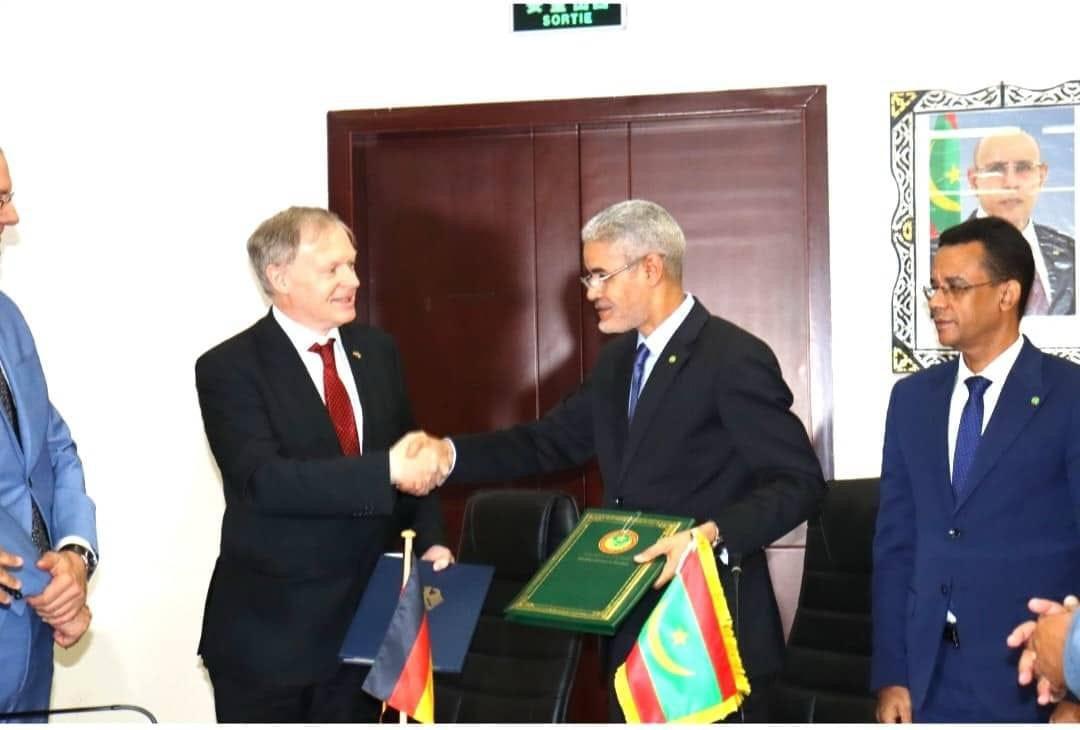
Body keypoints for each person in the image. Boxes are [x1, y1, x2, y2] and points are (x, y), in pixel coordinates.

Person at [409, 199, 826, 722]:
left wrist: (708, 537)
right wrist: (448, 455)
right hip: (630, 633)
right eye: (589, 277)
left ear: (651, 267)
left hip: (710, 638)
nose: (591, 292)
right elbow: (545, 442)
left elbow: (800, 483)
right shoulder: (617, 363)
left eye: (601, 275)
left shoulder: (732, 357)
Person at [194, 206, 452, 723]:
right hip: (272, 641)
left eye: (351, 265)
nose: (352, 280)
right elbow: (263, 481)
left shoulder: (377, 351)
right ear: (279, 276)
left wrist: (431, 541)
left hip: (367, 632)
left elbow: (409, 454)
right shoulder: (229, 367)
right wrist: (385, 471)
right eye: (333, 268)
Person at [872, 215, 1080, 722]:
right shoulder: (912, 400)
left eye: (956, 287)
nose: (937, 301)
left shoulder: (1068, 394)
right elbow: (896, 544)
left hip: (1030, 678)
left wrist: (1075, 691)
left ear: (1007, 294)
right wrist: (892, 673)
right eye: (935, 287)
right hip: (927, 678)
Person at [0, 148, 97, 719]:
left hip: (31, 647)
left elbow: (53, 446)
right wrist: (55, 598)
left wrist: (75, 556)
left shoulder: (7, 316)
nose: (12, 216)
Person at [966, 130, 1075, 315]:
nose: (1010, 182)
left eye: (1023, 167)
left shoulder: (1072, 254)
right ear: (974, 181)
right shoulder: (932, 258)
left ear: (1041, 176)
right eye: (996, 169)